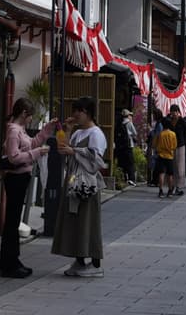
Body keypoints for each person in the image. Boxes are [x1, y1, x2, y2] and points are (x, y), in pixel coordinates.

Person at [52, 96, 106, 279]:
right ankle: (80, 259)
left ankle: (95, 262)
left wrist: (75, 151)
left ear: (87, 112)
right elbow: (63, 148)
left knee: (88, 222)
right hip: (74, 180)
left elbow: (96, 160)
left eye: (78, 111)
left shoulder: (96, 133)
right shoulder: (77, 133)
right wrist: (67, 130)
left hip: (86, 183)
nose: (75, 114)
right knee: (75, 222)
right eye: (74, 110)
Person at [0, 99, 39, 278]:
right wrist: (36, 154)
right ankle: (9, 264)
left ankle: (13, 261)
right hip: (15, 177)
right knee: (12, 221)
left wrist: (47, 131)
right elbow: (14, 157)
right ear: (24, 113)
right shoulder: (14, 131)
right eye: (30, 116)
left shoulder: (19, 130)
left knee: (13, 221)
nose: (30, 119)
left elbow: (32, 143)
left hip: (20, 177)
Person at [153, 113, 178, 198]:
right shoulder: (173, 134)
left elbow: (154, 144)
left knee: (161, 173)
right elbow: (175, 146)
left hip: (161, 155)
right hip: (170, 156)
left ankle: (160, 191)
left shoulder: (160, 134)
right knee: (170, 174)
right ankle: (170, 191)